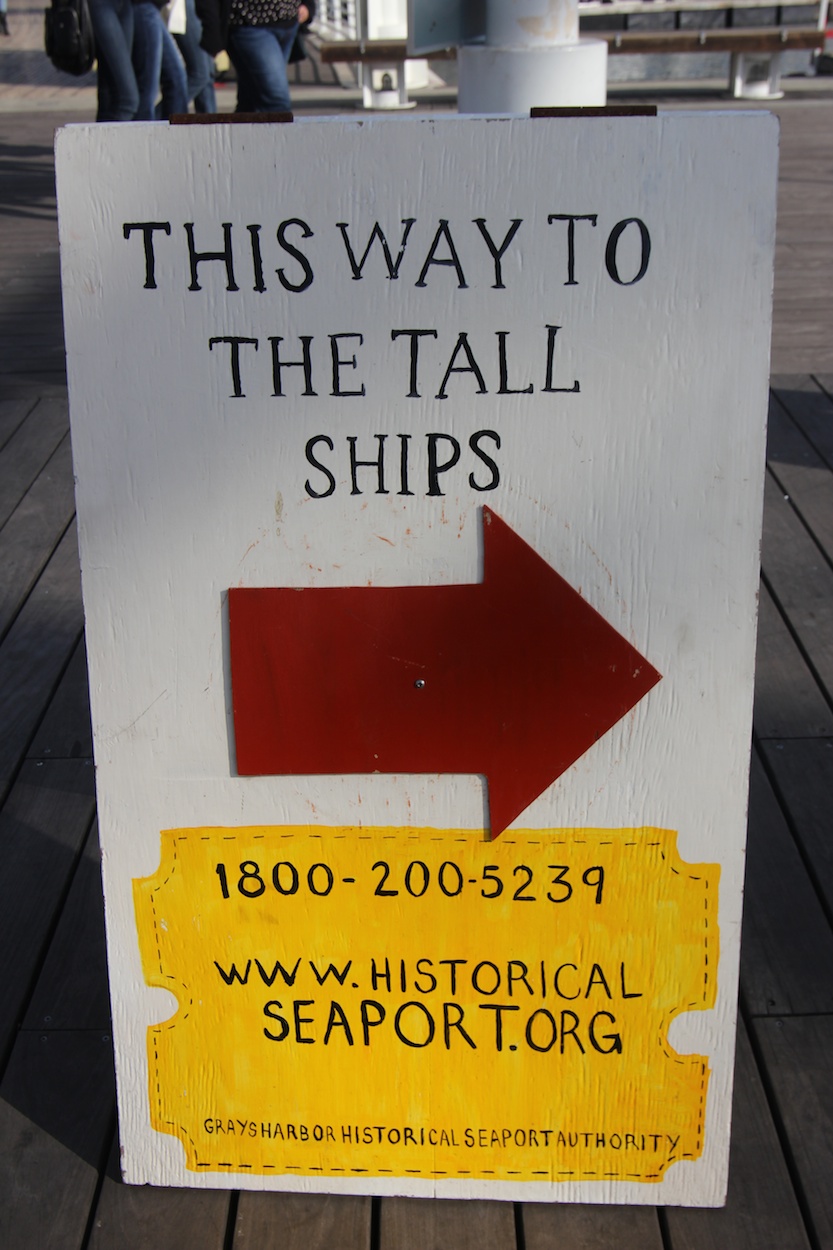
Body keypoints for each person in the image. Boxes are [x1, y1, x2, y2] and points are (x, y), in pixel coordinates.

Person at [226, 0, 311, 114]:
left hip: (289, 20)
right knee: (276, 103)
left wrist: (309, 5)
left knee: (251, 102)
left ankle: (239, 131)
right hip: (248, 22)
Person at [132, 0, 188, 119]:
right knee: (148, 88)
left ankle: (172, 134)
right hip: (143, 7)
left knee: (176, 78)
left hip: (151, 8)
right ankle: (143, 133)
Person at [89, 0, 140, 120]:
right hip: (101, 5)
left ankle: (99, 137)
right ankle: (112, 138)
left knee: (110, 92)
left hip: (125, 6)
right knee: (129, 100)